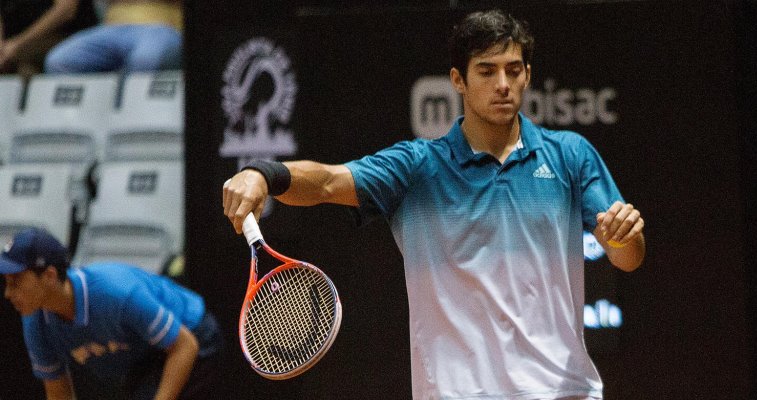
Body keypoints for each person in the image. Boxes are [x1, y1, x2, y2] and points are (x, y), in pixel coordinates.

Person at [223, 9, 645, 399]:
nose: (503, 84)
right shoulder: (418, 167)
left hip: (562, 392)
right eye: (487, 71)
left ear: (527, 75)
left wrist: (622, 238)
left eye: (513, 70)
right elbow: (328, 182)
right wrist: (265, 173)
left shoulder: (570, 154)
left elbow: (628, 257)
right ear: (458, 80)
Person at [1, 227, 223, 400]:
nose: (8, 293)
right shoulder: (35, 320)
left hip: (193, 337)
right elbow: (59, 393)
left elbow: (185, 346)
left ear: (49, 276)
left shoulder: (115, 294)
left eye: (16, 282)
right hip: (144, 357)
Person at [43, 0, 182, 73]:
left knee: (146, 58)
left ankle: (132, 111)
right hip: (111, 27)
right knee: (60, 61)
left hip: (160, 26)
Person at [0, 0, 97, 76]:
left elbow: (66, 10)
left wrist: (17, 44)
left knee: (23, 62)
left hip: (69, 36)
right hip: (16, 42)